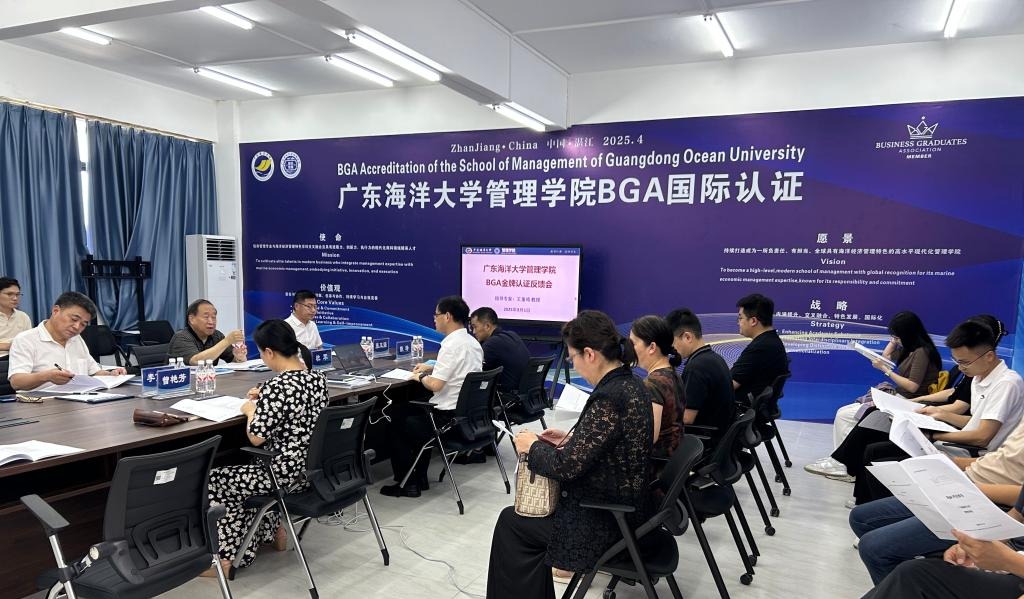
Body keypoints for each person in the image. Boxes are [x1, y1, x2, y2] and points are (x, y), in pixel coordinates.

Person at [486, 310, 653, 599]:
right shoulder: (630, 384)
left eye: (572, 357)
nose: (571, 363)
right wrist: (571, 439)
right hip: (623, 510)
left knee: (511, 524)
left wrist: (531, 446)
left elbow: (566, 467)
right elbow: (611, 444)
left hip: (604, 521)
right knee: (514, 522)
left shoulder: (610, 396)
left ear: (589, 354)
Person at [204, 320, 330, 575]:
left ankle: (226, 559)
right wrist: (265, 394)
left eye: (261, 353)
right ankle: (274, 533)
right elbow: (295, 402)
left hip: (281, 475)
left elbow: (256, 437)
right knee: (255, 466)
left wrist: (250, 409)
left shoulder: (277, 386)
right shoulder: (318, 379)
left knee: (216, 479)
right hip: (308, 472)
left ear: (270, 352)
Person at [806, 310, 941, 480]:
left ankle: (845, 466)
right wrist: (893, 341)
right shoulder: (910, 349)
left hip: (909, 401)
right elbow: (886, 356)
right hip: (899, 397)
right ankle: (841, 462)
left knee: (845, 416)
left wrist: (885, 370)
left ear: (908, 334)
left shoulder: (922, 352)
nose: (895, 340)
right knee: (844, 413)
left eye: (897, 337)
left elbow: (912, 386)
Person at [380, 295, 483, 497]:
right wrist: (432, 367)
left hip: (445, 420)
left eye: (436, 315)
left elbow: (435, 385)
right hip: (465, 417)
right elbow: (458, 370)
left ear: (447, 316)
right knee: (411, 412)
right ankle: (420, 478)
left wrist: (420, 376)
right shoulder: (472, 343)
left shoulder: (451, 345)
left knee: (393, 418)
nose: (434, 319)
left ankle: (408, 483)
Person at [7, 291, 127, 390]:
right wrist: (47, 376)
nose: (77, 327)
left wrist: (111, 374)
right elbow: (16, 382)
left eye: (83, 324)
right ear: (56, 311)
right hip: (41, 404)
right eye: (74, 319)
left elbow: (93, 372)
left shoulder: (76, 339)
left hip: (79, 402)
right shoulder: (26, 339)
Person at [666, 308, 735, 444]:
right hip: (724, 438)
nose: (672, 350)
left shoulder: (696, 368)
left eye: (673, 343)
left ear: (687, 337)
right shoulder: (715, 358)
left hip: (706, 442)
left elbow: (686, 418)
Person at [628, 314, 684, 457]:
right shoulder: (673, 374)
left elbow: (648, 437)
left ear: (652, 347)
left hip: (657, 463)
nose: (629, 349)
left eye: (633, 344)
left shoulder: (652, 384)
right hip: (675, 457)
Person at [730, 293, 789, 404]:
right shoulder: (772, 341)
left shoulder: (759, 348)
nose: (738, 322)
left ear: (753, 321)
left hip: (739, 407)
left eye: (740, 318)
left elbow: (728, 385)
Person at [469, 306, 530, 394]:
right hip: (524, 393)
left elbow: (474, 371)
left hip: (507, 396)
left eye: (475, 327)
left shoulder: (492, 344)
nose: (474, 332)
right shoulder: (512, 335)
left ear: (487, 326)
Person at [168, 299, 248, 365]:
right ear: (191, 319)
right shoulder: (181, 337)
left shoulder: (216, 335)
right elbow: (196, 361)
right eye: (206, 317)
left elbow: (233, 359)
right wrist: (227, 341)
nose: (211, 322)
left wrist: (239, 357)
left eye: (213, 317)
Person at [0, 277, 32, 358]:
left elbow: (29, 341)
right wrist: (9, 346)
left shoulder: (23, 317)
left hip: (19, 357)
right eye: (9, 294)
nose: (15, 298)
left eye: (17, 294)